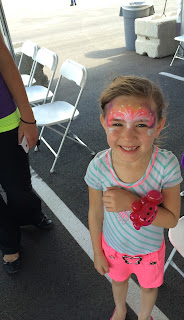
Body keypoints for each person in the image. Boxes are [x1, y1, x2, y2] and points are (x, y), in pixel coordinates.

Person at [85, 76, 182, 320]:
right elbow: (95, 212)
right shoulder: (98, 167)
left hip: (149, 252)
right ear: (103, 123)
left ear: (158, 125)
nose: (127, 137)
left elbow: (171, 220)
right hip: (113, 248)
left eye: (141, 124)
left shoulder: (166, 166)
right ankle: (121, 308)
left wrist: (131, 203)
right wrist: (97, 251)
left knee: (149, 287)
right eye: (117, 123)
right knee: (118, 283)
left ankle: (144, 316)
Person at [0, 31, 53, 275]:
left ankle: (31, 214)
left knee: (19, 187)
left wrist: (28, 117)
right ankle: (9, 242)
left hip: (4, 122)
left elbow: (3, 57)